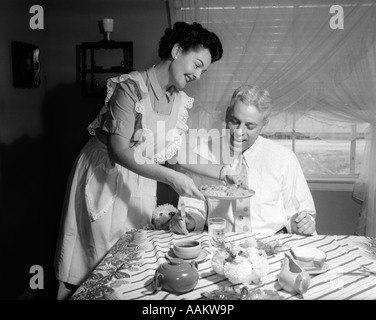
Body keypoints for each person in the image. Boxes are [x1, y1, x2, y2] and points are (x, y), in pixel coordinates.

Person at [54, 21, 224, 299]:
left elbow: (175, 154)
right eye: (197, 64)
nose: (199, 74)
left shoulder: (179, 101)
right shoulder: (130, 88)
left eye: (204, 70)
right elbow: (120, 151)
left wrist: (223, 171)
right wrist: (172, 177)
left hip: (140, 181)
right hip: (104, 176)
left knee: (131, 263)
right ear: (177, 50)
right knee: (95, 261)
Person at [169, 85, 317, 236]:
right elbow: (193, 206)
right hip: (220, 240)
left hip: (271, 241)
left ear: (264, 124)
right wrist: (190, 220)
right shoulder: (201, 153)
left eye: (250, 126)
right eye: (234, 122)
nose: (240, 132)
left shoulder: (284, 158)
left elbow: (301, 211)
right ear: (227, 115)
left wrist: (300, 224)